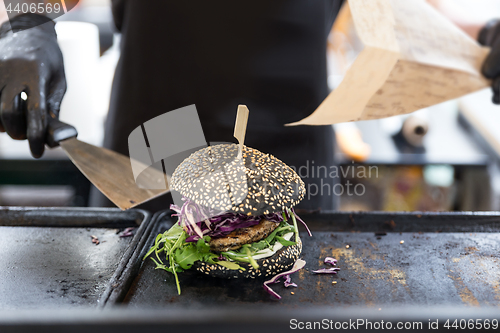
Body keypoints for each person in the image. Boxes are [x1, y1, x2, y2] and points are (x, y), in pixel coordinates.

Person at [0, 1, 499, 212]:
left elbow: (414, 10)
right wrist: (25, 22)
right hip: (155, 153)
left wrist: (484, 40)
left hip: (293, 166)